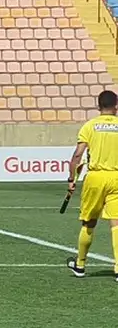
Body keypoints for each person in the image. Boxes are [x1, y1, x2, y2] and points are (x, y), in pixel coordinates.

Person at [66, 89, 118, 280]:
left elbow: (78, 155)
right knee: (116, 223)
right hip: (117, 178)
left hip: (95, 177)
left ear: (98, 106)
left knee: (89, 222)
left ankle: (80, 265)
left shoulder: (90, 126)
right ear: (116, 106)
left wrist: (71, 180)